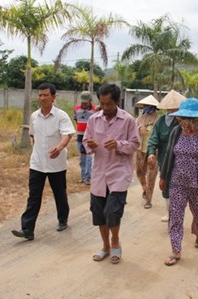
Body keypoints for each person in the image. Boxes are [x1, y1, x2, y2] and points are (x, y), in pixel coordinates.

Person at [83, 84, 140, 264]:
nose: (105, 108)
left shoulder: (128, 120)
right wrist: (89, 145)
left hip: (119, 173)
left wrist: (118, 144)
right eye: (102, 104)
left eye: (109, 104)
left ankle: (115, 242)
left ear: (117, 101)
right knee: (99, 213)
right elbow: (85, 141)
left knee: (112, 212)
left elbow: (135, 144)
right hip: (99, 173)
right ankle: (105, 246)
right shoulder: (94, 119)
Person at [159, 98, 198, 266]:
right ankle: (175, 251)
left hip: (197, 184)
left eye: (190, 119)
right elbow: (169, 155)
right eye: (183, 119)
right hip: (176, 182)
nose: (186, 123)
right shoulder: (176, 132)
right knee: (175, 216)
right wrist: (163, 177)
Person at [12, 83, 75, 241]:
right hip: (37, 163)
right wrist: (37, 151)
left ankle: (63, 219)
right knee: (33, 197)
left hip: (57, 164)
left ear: (53, 97)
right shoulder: (34, 116)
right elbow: (33, 136)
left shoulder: (61, 116)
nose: (42, 98)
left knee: (59, 194)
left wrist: (59, 148)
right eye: (40, 95)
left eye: (46, 95)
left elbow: (67, 134)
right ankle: (27, 229)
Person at [147, 89, 185, 222]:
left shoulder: (184, 123)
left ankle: (178, 213)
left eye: (175, 108)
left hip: (182, 161)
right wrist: (151, 153)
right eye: (170, 108)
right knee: (166, 186)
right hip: (164, 160)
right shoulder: (160, 122)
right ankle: (169, 213)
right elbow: (153, 139)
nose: (172, 110)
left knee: (179, 187)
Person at [135, 95, 160, 209]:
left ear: (153, 107)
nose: (145, 108)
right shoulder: (139, 118)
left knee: (151, 175)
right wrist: (139, 127)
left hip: (153, 152)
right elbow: (133, 132)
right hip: (140, 150)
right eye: (144, 106)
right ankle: (145, 189)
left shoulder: (158, 120)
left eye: (148, 106)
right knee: (140, 172)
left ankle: (149, 199)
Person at [73, 91, 96, 185]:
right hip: (80, 137)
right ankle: (83, 177)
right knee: (82, 158)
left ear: (90, 100)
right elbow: (76, 121)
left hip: (90, 138)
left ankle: (88, 178)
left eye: (86, 102)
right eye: (82, 102)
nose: (83, 104)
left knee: (89, 157)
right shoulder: (76, 109)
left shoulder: (95, 110)